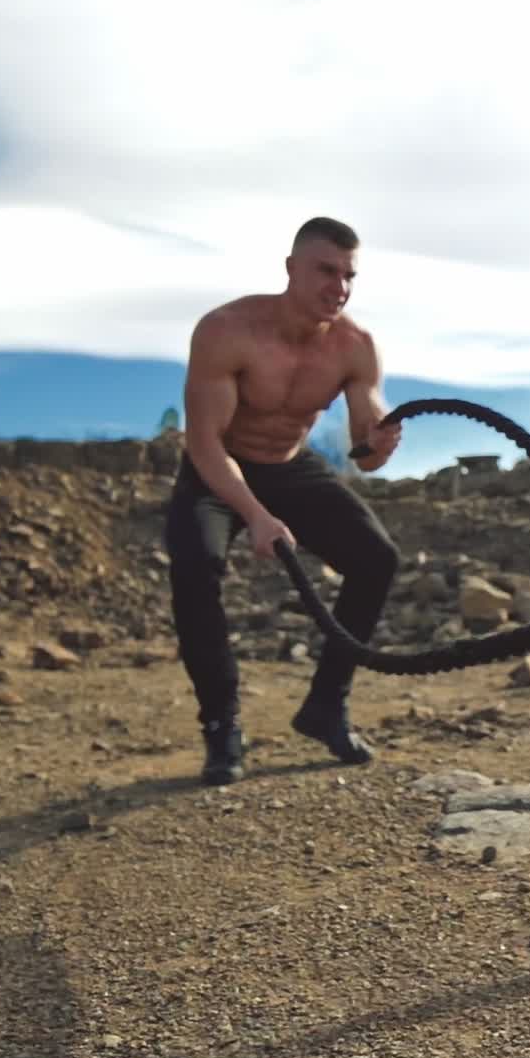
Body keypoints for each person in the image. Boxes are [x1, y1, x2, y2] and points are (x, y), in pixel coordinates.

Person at [164, 216, 402, 786]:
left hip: (291, 468)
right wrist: (254, 515)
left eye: (348, 276)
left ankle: (325, 706)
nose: (338, 288)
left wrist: (380, 445)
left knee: (377, 559)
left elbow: (364, 453)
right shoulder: (227, 330)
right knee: (197, 564)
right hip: (216, 468)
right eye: (325, 271)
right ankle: (221, 726)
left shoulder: (357, 346)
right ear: (291, 267)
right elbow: (202, 443)